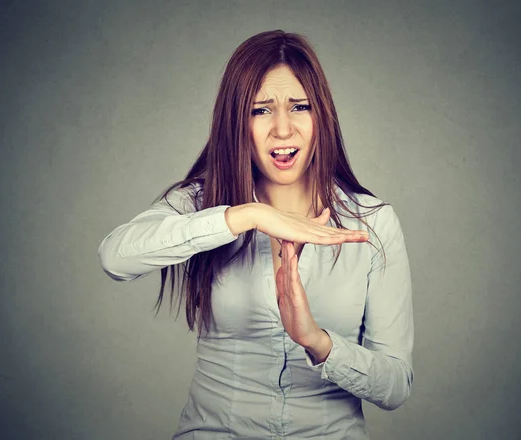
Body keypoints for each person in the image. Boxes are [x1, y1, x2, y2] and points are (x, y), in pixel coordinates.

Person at [98, 30, 414, 440]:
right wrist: (246, 215)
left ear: (322, 116)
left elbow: (395, 386)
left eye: (299, 106)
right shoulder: (202, 201)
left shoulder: (371, 223)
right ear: (237, 122)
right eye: (260, 110)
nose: (282, 130)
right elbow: (114, 257)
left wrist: (318, 342)